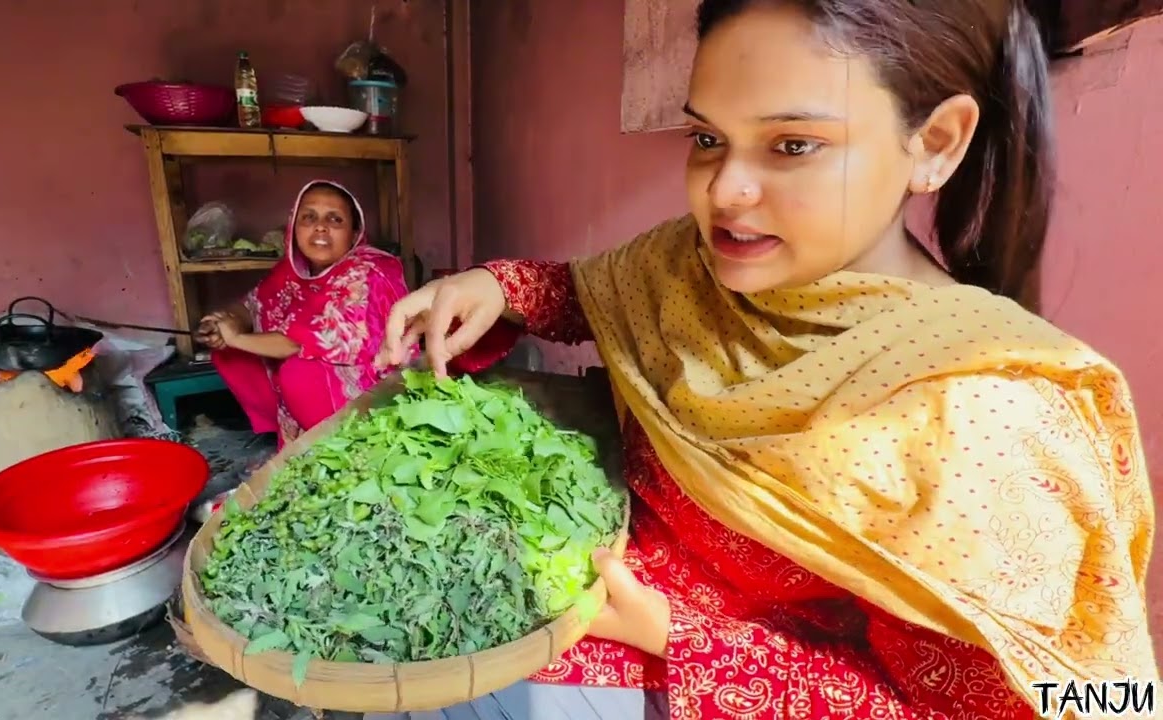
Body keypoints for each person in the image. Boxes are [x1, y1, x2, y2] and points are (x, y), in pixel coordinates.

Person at [378, 1, 1156, 718]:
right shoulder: (702, 264)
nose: (725, 190)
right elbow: (603, 295)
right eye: (708, 138)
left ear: (936, 143)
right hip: (592, 631)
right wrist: (497, 287)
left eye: (793, 145)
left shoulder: (981, 423)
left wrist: (674, 635)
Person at [198, 180, 409, 447]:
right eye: (309, 217)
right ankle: (297, 429)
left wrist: (237, 337)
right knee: (234, 352)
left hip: (375, 388)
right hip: (315, 378)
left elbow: (298, 342)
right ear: (294, 227)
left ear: (355, 234)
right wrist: (223, 320)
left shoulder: (367, 270)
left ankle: (342, 447)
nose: (320, 226)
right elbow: (252, 305)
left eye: (335, 219)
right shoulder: (293, 271)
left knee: (300, 372)